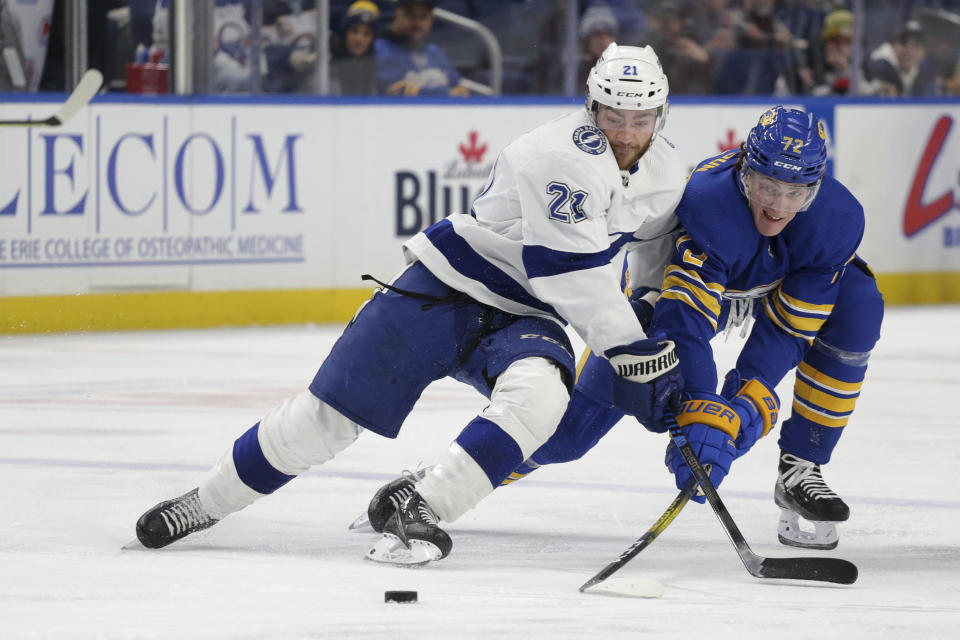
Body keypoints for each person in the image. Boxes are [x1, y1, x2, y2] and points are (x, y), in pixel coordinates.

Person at [133, 43, 689, 564]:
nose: (625, 132)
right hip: (447, 284)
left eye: (640, 119)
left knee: (541, 398)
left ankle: (422, 507)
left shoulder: (665, 172)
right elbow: (568, 273)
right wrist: (635, 352)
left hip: (523, 312)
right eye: (612, 115)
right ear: (591, 105)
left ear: (661, 114)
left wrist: (646, 306)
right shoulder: (558, 155)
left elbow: (653, 243)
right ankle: (203, 503)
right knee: (325, 422)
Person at [368, 106, 884, 552]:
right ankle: (440, 483)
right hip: (675, 302)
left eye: (795, 193)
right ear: (743, 173)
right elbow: (685, 320)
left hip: (759, 294)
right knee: (570, 434)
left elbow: (790, 328)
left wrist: (747, 401)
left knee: (859, 303)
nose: (776, 206)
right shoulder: (708, 200)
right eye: (766, 186)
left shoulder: (837, 220)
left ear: (817, 188)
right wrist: (701, 406)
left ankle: (801, 467)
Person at [373, 0, 469, 96]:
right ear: (397, 16)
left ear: (431, 19)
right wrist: (447, 94)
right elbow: (398, 92)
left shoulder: (434, 51)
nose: (417, 22)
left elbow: (460, 89)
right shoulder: (379, 50)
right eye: (411, 15)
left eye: (423, 16)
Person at [866, 20, 942, 97]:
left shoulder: (926, 67)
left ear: (924, 51)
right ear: (894, 45)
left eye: (916, 45)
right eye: (904, 43)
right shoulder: (881, 63)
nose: (909, 51)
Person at [330, 0, 380, 95]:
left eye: (366, 34)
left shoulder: (380, 64)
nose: (359, 39)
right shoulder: (326, 62)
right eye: (354, 31)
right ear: (345, 34)